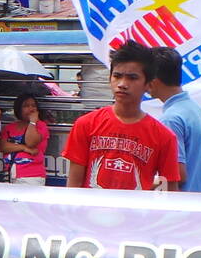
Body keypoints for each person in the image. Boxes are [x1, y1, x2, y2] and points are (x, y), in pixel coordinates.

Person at [63, 40, 180, 191]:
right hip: (90, 213)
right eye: (117, 76)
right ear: (109, 78)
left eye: (132, 78)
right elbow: (73, 187)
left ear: (149, 85)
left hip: (137, 214)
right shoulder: (85, 124)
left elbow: (170, 193)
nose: (122, 84)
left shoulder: (164, 137)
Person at [149, 47, 201, 193]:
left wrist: (137, 183)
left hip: (180, 207)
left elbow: (177, 175)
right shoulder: (195, 110)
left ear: (154, 80)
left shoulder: (171, 119)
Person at [0, 92, 50, 186]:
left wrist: (32, 122)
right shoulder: (10, 127)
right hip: (9, 174)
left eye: (33, 106)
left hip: (31, 176)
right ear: (19, 109)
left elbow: (31, 142)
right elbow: (3, 146)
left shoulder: (41, 126)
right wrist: (24, 148)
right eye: (26, 106)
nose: (31, 109)